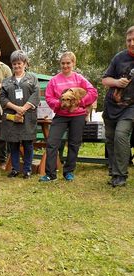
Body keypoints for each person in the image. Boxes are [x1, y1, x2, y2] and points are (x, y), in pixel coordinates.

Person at [40, 52, 98, 182]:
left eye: (68, 63)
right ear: (60, 64)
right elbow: (49, 98)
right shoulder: (54, 80)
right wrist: (59, 104)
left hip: (78, 116)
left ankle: (69, 172)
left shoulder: (79, 78)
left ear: (73, 64)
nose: (65, 66)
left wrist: (81, 103)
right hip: (60, 115)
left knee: (74, 143)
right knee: (52, 142)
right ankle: (50, 174)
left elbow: (93, 92)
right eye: (63, 63)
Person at [102, 26, 134, 187]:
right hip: (111, 106)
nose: (132, 43)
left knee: (121, 136)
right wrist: (116, 82)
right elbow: (105, 80)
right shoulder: (119, 58)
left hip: (130, 108)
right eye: (129, 40)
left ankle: (121, 175)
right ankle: (114, 171)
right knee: (111, 139)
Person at [0, 50, 40, 179]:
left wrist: (24, 108)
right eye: (14, 64)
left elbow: (36, 95)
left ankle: (27, 170)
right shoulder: (6, 81)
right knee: (13, 143)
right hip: (12, 116)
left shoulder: (32, 78)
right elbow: (2, 98)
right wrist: (16, 108)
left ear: (25, 64)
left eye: (19, 63)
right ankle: (15, 169)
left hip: (28, 116)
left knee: (28, 143)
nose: (17, 66)